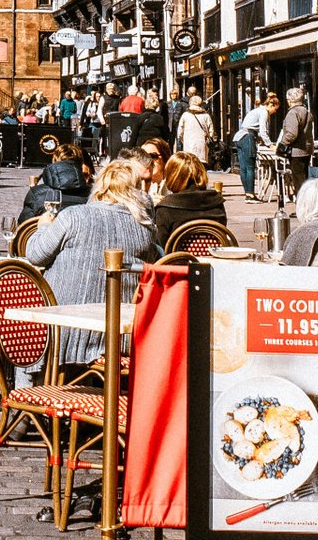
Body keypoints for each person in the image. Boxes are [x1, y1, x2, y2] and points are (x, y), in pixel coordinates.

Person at [26, 158, 160, 371]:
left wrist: (42, 227)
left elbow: (35, 255)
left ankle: (24, 391)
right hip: (120, 337)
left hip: (64, 331)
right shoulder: (144, 228)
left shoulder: (72, 216)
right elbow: (156, 266)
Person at [152, 151, 229, 247]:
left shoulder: (165, 208)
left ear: (171, 176)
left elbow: (161, 246)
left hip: (177, 261)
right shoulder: (217, 202)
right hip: (213, 260)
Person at [18, 139, 90, 222]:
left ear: (54, 161)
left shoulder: (37, 193)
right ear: (80, 165)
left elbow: (24, 228)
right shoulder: (92, 195)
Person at [232, 94, 279, 199]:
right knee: (250, 167)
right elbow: (263, 131)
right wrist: (270, 145)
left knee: (243, 168)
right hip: (248, 138)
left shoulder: (256, 110)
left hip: (239, 137)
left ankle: (247, 193)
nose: (274, 112)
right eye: (275, 109)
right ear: (271, 105)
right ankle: (251, 195)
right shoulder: (264, 112)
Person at [279, 86, 314, 195]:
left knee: (298, 181)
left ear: (290, 100)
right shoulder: (307, 112)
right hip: (306, 150)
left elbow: (291, 133)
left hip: (296, 151)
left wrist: (282, 144)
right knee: (304, 180)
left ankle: (301, 207)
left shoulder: (293, 113)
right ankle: (306, 206)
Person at [174, 92, 215, 162]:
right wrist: (208, 139)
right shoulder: (206, 115)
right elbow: (211, 130)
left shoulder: (185, 115)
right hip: (202, 144)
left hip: (188, 143)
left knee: (190, 161)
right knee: (201, 162)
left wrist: (182, 140)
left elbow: (180, 131)